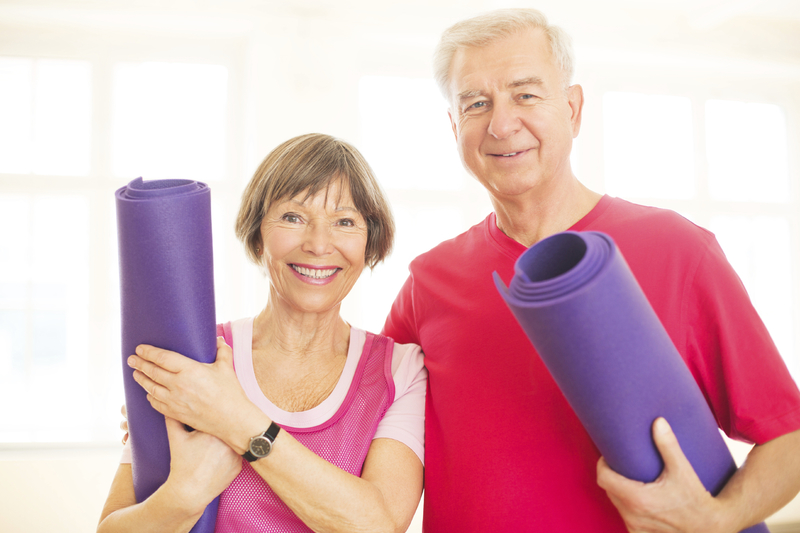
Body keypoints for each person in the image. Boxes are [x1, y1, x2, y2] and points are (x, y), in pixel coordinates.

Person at [382, 8, 800, 532]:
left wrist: (720, 518)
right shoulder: (428, 283)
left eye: (525, 94)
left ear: (573, 109)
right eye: (476, 103)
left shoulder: (678, 250)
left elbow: (789, 437)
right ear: (454, 127)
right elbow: (360, 431)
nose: (501, 123)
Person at [98, 133, 426, 533]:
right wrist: (185, 495)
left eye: (344, 222)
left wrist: (234, 419)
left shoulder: (401, 371)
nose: (319, 244)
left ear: (369, 243)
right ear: (257, 235)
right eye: (293, 217)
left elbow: (379, 525)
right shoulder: (196, 358)